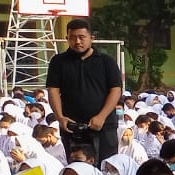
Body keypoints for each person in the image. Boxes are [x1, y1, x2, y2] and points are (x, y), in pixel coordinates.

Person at [45, 17, 124, 163]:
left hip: (104, 126)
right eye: (73, 38)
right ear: (67, 38)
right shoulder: (58, 61)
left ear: (91, 38)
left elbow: (116, 90)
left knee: (107, 166)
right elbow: (53, 90)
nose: (77, 41)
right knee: (77, 169)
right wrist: (60, 117)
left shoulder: (106, 61)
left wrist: (101, 116)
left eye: (82, 37)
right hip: (72, 127)